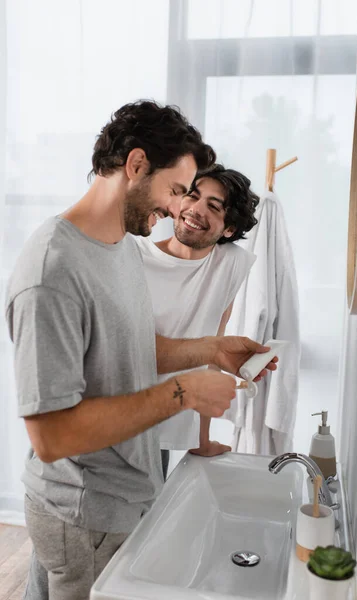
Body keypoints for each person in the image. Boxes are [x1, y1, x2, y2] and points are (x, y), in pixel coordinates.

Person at [5, 100, 277, 600]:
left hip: (122, 500)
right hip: (81, 513)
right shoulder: (52, 273)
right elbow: (52, 435)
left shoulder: (119, 248)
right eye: (176, 190)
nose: (178, 208)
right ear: (135, 166)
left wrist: (213, 350)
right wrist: (186, 391)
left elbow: (130, 348)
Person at [136, 164, 261, 476]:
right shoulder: (134, 256)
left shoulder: (229, 265)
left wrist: (200, 440)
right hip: (114, 421)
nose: (195, 209)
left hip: (162, 426)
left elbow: (211, 357)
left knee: (148, 520)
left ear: (229, 229)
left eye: (214, 206)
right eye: (192, 196)